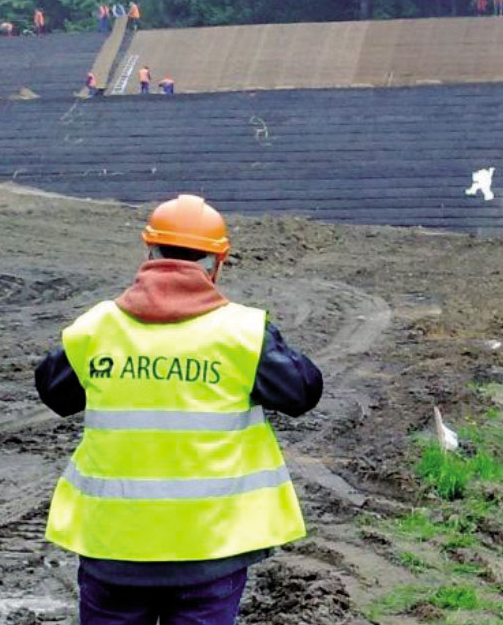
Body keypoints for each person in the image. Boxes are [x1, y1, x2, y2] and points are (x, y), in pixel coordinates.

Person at [36, 195, 322, 625]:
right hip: (209, 552)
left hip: (113, 551)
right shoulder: (242, 335)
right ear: (217, 262)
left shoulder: (98, 330)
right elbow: (303, 391)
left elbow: (54, 392)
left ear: (148, 252)